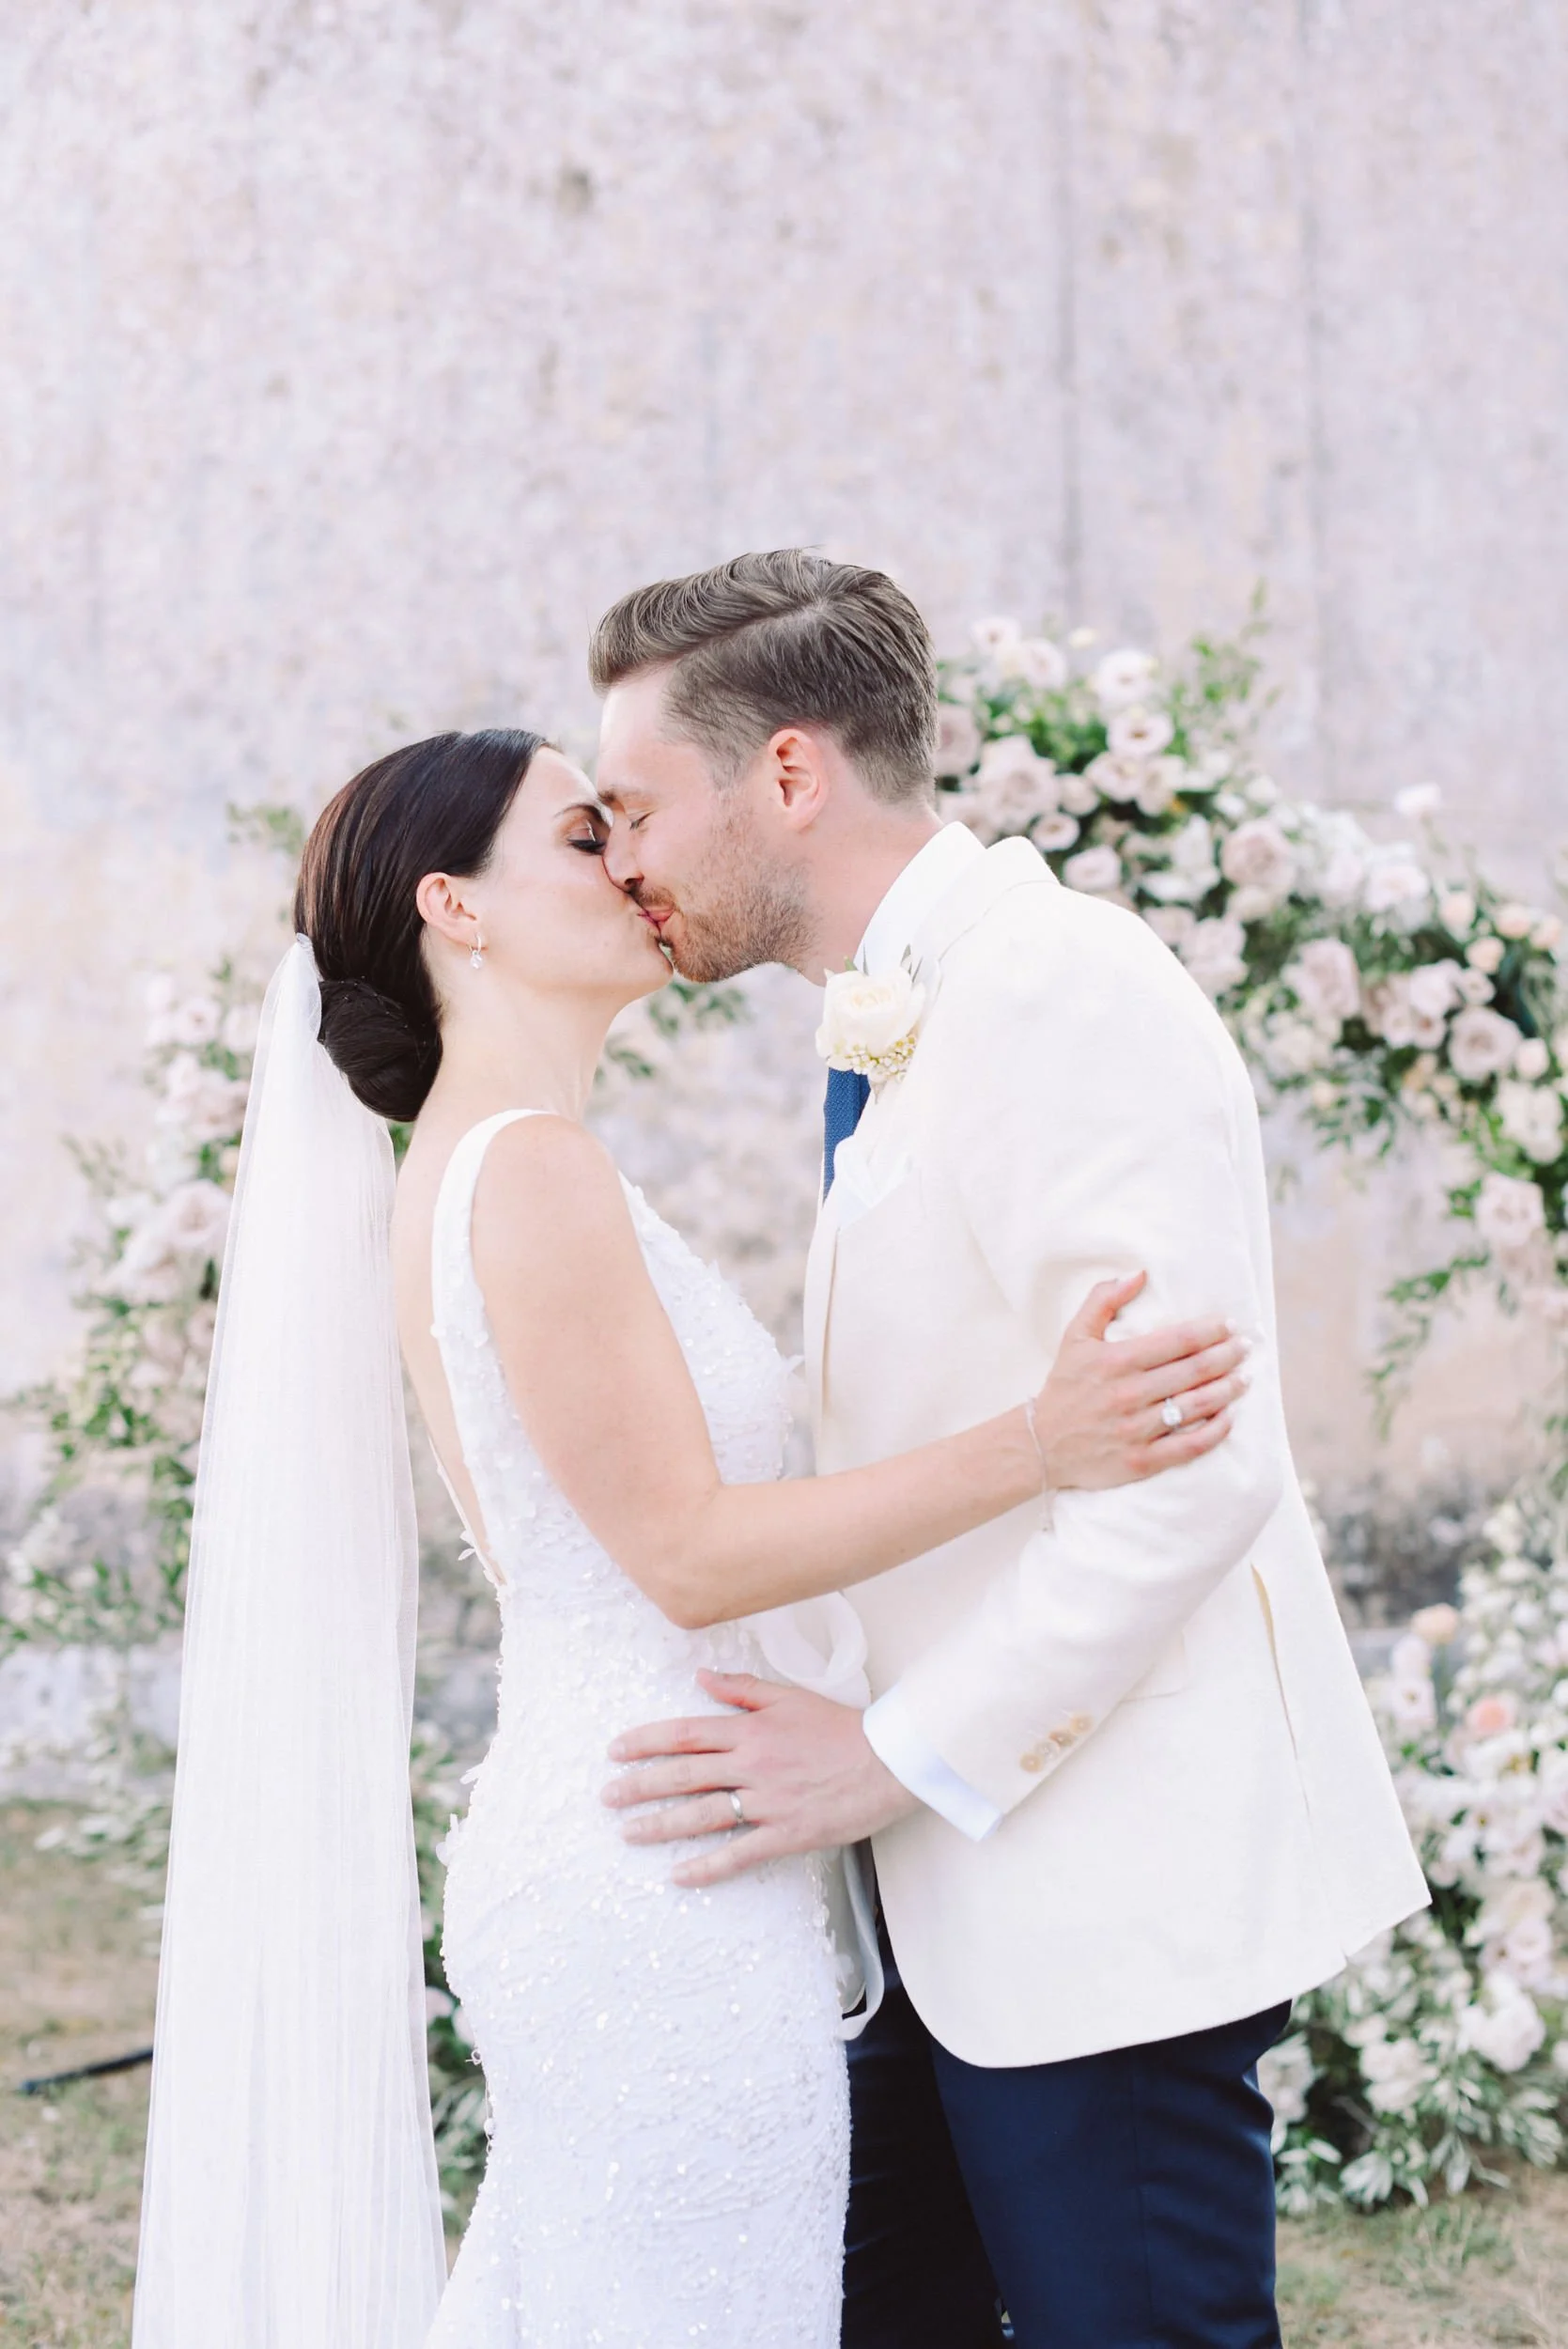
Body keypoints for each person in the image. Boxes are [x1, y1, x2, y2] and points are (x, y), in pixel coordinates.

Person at [132, 723, 1246, 2349]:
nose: (637, 866)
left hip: (658, 1832)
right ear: (460, 907)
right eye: (586, 837)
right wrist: (1039, 1442)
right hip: (658, 1877)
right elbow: (691, 1554)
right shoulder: (530, 1176)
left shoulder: (498, 1168)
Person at [586, 551, 1431, 2349]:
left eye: (642, 805)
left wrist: (887, 1758)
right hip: (947, 1915)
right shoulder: (905, 1008)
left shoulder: (1061, 994)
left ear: (790, 775)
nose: (626, 861)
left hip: (1097, 1890)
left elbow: (1193, 1474)